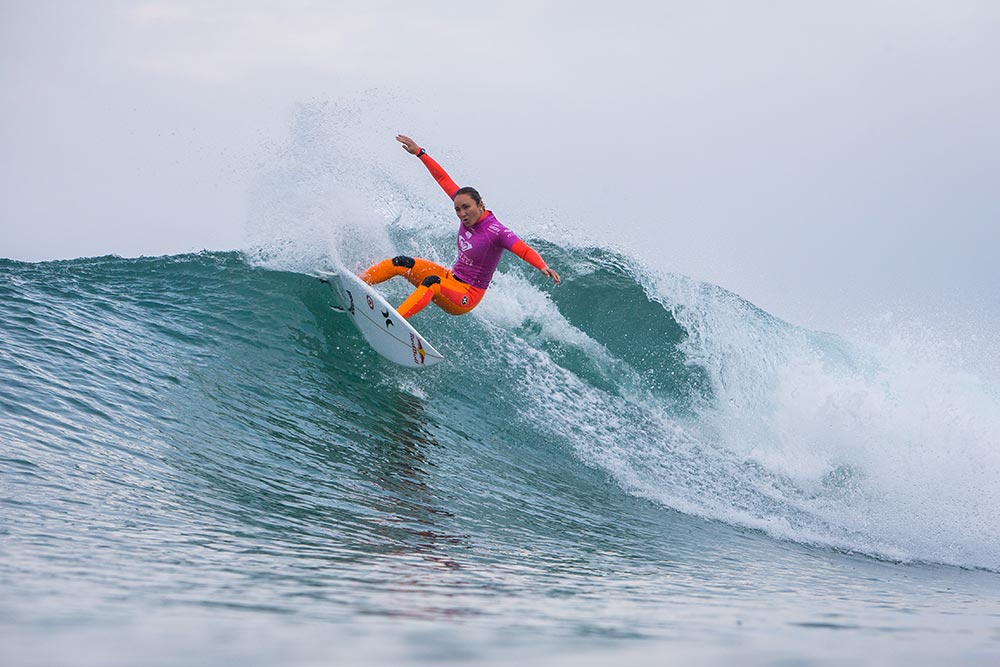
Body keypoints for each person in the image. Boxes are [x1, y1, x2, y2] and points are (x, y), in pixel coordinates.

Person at [360, 134, 560, 319]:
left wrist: (542, 265)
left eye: (466, 208)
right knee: (400, 262)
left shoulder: (496, 232)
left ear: (480, 204)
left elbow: (522, 249)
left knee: (431, 282)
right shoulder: (463, 207)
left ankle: (395, 321)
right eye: (457, 209)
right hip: (450, 277)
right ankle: (357, 283)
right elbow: (442, 178)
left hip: (466, 295)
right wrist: (420, 152)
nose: (462, 214)